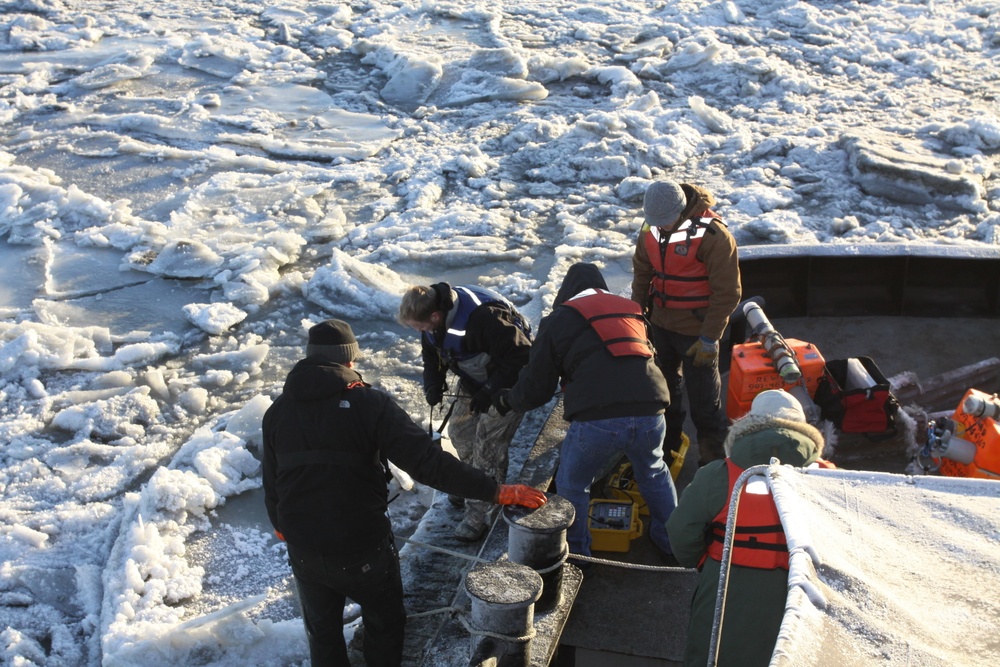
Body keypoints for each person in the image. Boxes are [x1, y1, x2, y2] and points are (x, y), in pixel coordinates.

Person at [262, 319, 546, 667]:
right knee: (385, 622)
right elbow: (428, 463)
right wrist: (496, 491)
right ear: (348, 360)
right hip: (360, 545)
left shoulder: (277, 411)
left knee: (322, 633)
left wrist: (282, 524)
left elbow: (272, 481)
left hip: (303, 546)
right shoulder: (369, 403)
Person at [494, 262, 678, 561]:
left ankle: (580, 556)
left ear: (566, 294)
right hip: (651, 409)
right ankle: (672, 544)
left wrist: (507, 401)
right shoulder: (631, 309)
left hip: (598, 418)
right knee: (653, 471)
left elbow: (536, 388)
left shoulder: (558, 319)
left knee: (573, 485)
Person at [665, 389, 824, 667]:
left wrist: (704, 562)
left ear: (748, 426)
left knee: (711, 652)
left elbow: (681, 531)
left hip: (724, 584)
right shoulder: (828, 479)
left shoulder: (717, 474)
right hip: (798, 593)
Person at [399, 283, 532, 542]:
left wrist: (491, 390)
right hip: (474, 379)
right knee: (459, 431)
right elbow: (431, 354)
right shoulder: (432, 320)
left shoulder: (485, 318)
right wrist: (433, 382)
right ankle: (470, 484)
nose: (419, 331)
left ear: (435, 316)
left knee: (488, 447)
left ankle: (480, 514)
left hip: (509, 384)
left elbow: (522, 356)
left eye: (420, 326)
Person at [631, 179, 742, 465]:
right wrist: (637, 316)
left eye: (667, 221)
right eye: (657, 222)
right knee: (662, 395)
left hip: (697, 332)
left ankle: (713, 465)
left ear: (682, 211)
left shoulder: (715, 236)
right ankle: (665, 451)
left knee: (705, 405)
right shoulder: (650, 229)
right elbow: (642, 274)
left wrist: (709, 338)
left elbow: (728, 293)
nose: (662, 227)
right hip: (660, 326)